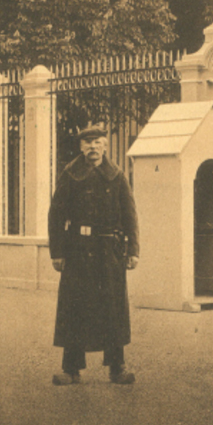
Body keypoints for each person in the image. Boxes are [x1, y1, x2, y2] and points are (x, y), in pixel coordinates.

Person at [48, 123, 139, 386]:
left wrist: (133, 250)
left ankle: (117, 368)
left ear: (105, 146)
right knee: (74, 306)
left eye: (97, 142)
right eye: (88, 143)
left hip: (109, 251)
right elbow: (56, 215)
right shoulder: (70, 174)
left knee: (113, 308)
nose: (93, 147)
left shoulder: (117, 175)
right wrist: (57, 252)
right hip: (77, 249)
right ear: (81, 147)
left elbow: (130, 215)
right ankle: (71, 369)